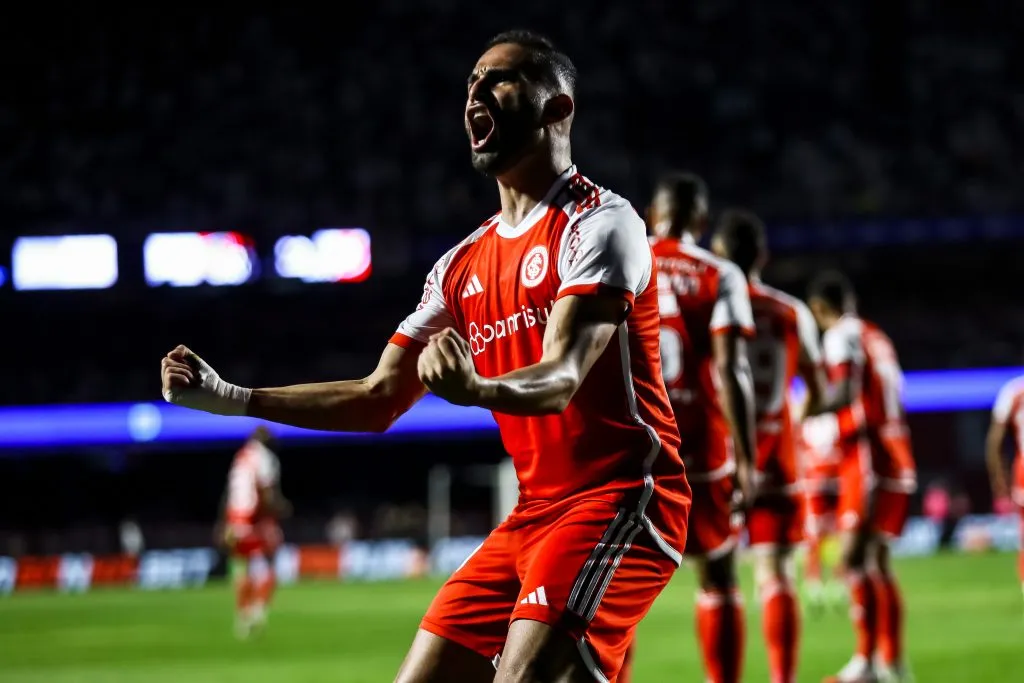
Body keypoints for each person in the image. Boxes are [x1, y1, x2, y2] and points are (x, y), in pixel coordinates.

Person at [161, 30, 691, 683]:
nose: (476, 91)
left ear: (558, 110)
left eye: (501, 79)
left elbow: (560, 377)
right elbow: (379, 396)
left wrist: (477, 386)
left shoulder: (601, 224)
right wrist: (233, 397)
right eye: (471, 80)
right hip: (532, 513)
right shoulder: (459, 266)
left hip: (621, 496)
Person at [623, 173, 756, 683]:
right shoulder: (719, 273)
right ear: (701, 221)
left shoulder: (625, 261)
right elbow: (731, 370)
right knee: (719, 574)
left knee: (614, 585)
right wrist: (746, 459)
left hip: (636, 451)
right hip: (700, 451)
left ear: (652, 214)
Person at [710, 209, 830, 683]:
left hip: (722, 456)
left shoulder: (711, 306)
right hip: (777, 456)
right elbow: (819, 390)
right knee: (777, 574)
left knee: (718, 579)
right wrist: (789, 417)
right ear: (762, 254)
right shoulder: (792, 311)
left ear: (717, 256)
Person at [807, 271, 917, 683]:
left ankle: (866, 662)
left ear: (821, 310)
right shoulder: (877, 335)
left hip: (867, 456)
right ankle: (892, 662)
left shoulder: (841, 335)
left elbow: (845, 390)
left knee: (853, 558)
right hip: (896, 451)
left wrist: (809, 408)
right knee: (879, 562)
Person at [218, 426, 289, 638]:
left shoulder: (240, 457)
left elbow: (229, 493)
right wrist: (280, 508)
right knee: (269, 563)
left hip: (235, 520)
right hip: (256, 520)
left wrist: (224, 523)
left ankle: (242, 616)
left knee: (242, 568)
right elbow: (266, 491)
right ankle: (258, 612)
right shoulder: (266, 458)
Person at [799, 412, 846, 614]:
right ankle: (814, 584)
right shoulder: (806, 419)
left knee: (836, 535)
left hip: (835, 484)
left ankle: (837, 583)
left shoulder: (836, 418)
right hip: (814, 485)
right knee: (815, 537)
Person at [985, 372, 1024, 603]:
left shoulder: (1014, 391)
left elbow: (995, 439)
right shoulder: (1014, 391)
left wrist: (997, 477)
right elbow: (996, 440)